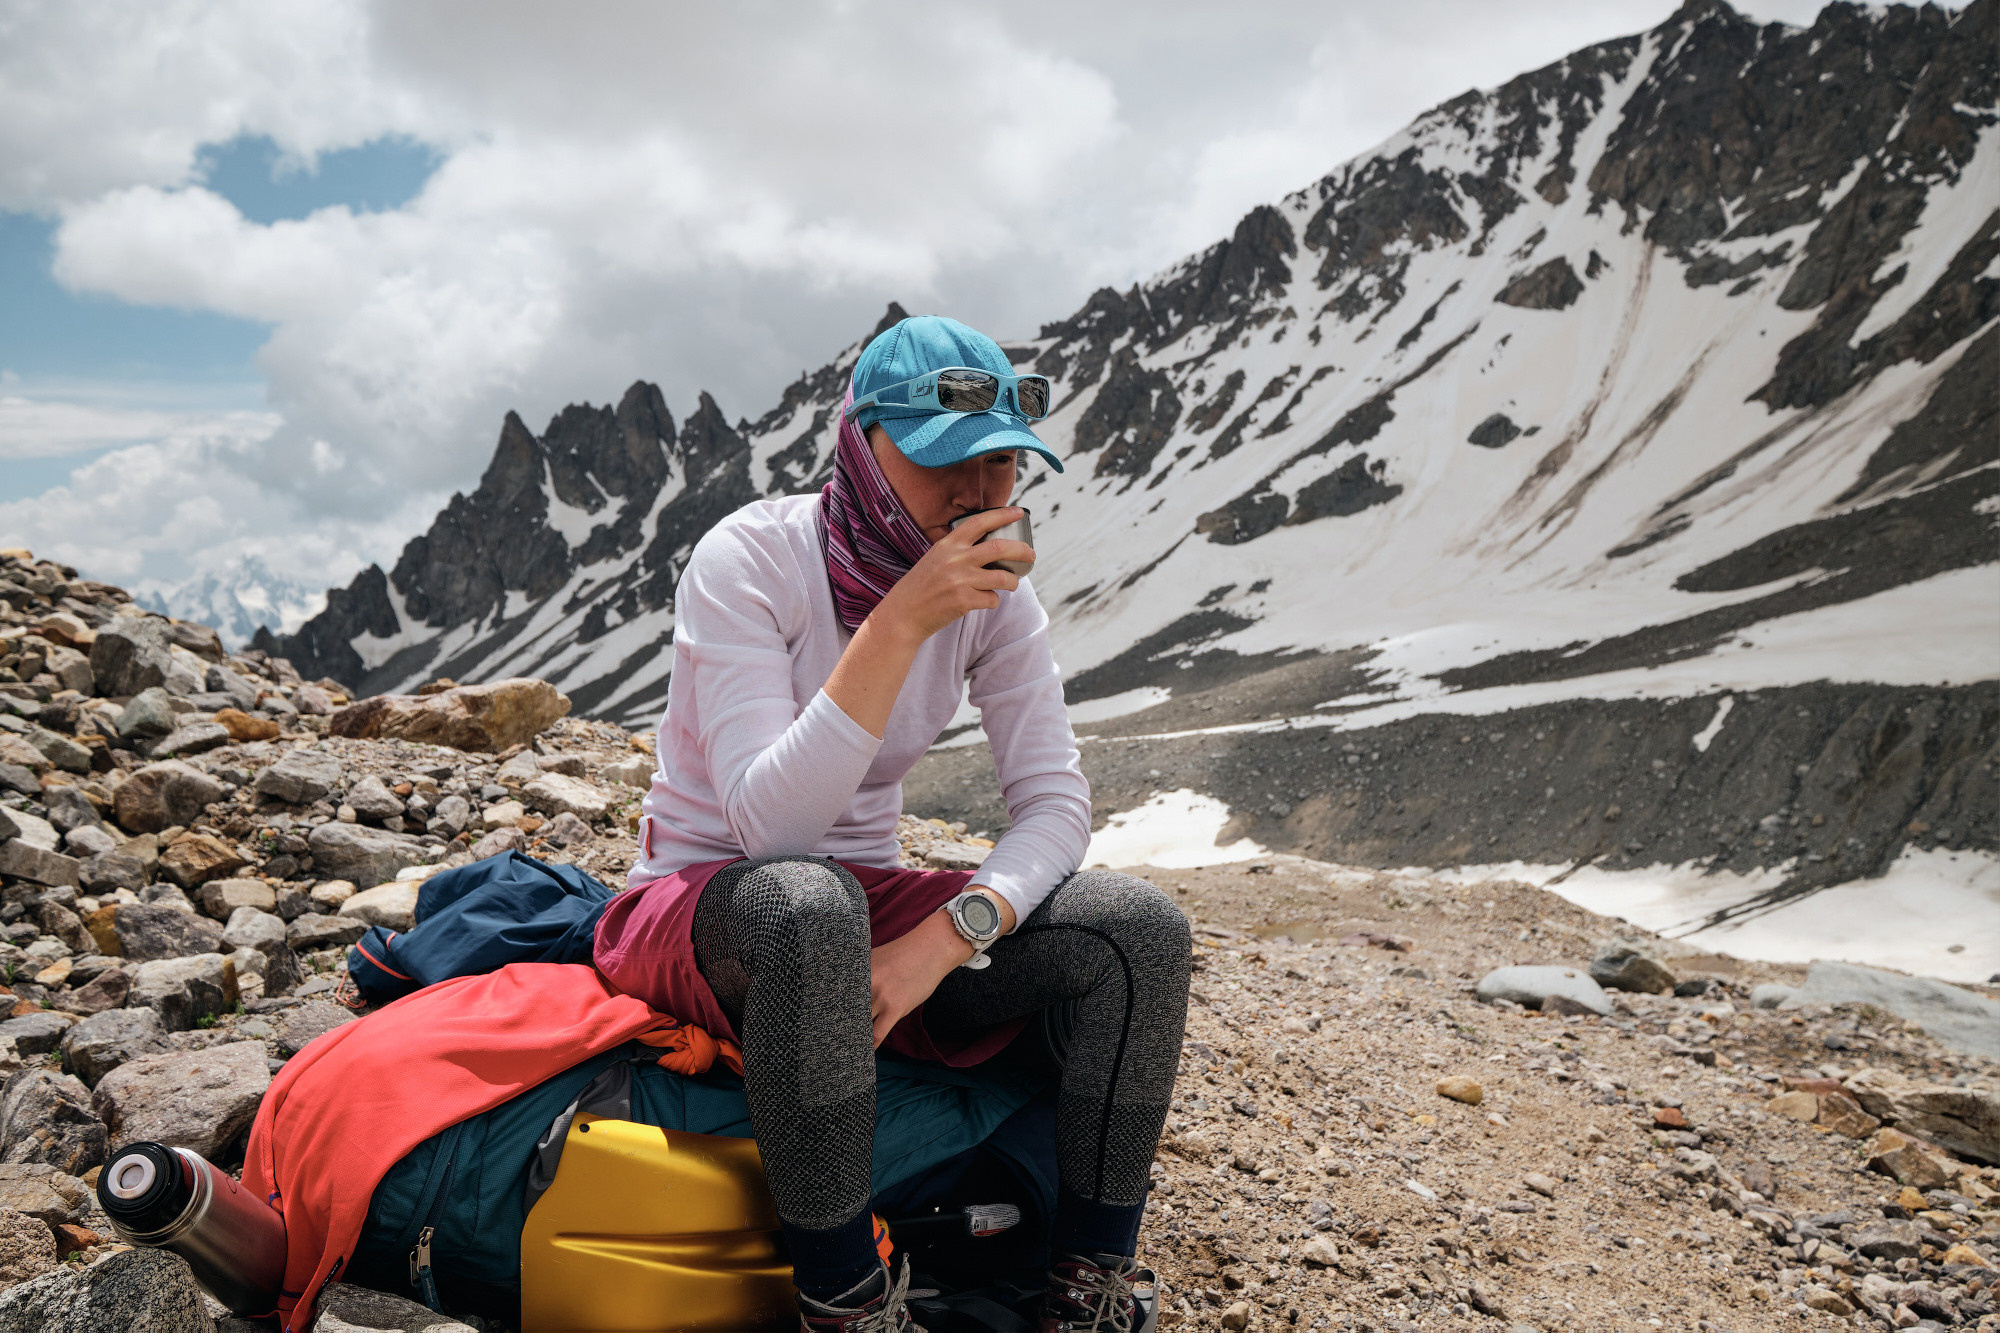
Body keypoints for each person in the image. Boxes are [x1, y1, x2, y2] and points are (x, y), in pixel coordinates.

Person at [593, 315, 1191, 1333]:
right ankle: (845, 1301)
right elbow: (766, 830)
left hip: (860, 913)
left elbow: (1055, 804)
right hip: (706, 898)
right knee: (807, 903)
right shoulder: (749, 558)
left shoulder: (997, 601)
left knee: (1138, 932)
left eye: (1002, 462)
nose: (978, 493)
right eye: (943, 459)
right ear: (862, 451)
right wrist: (900, 621)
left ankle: (1086, 1285)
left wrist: (949, 935)